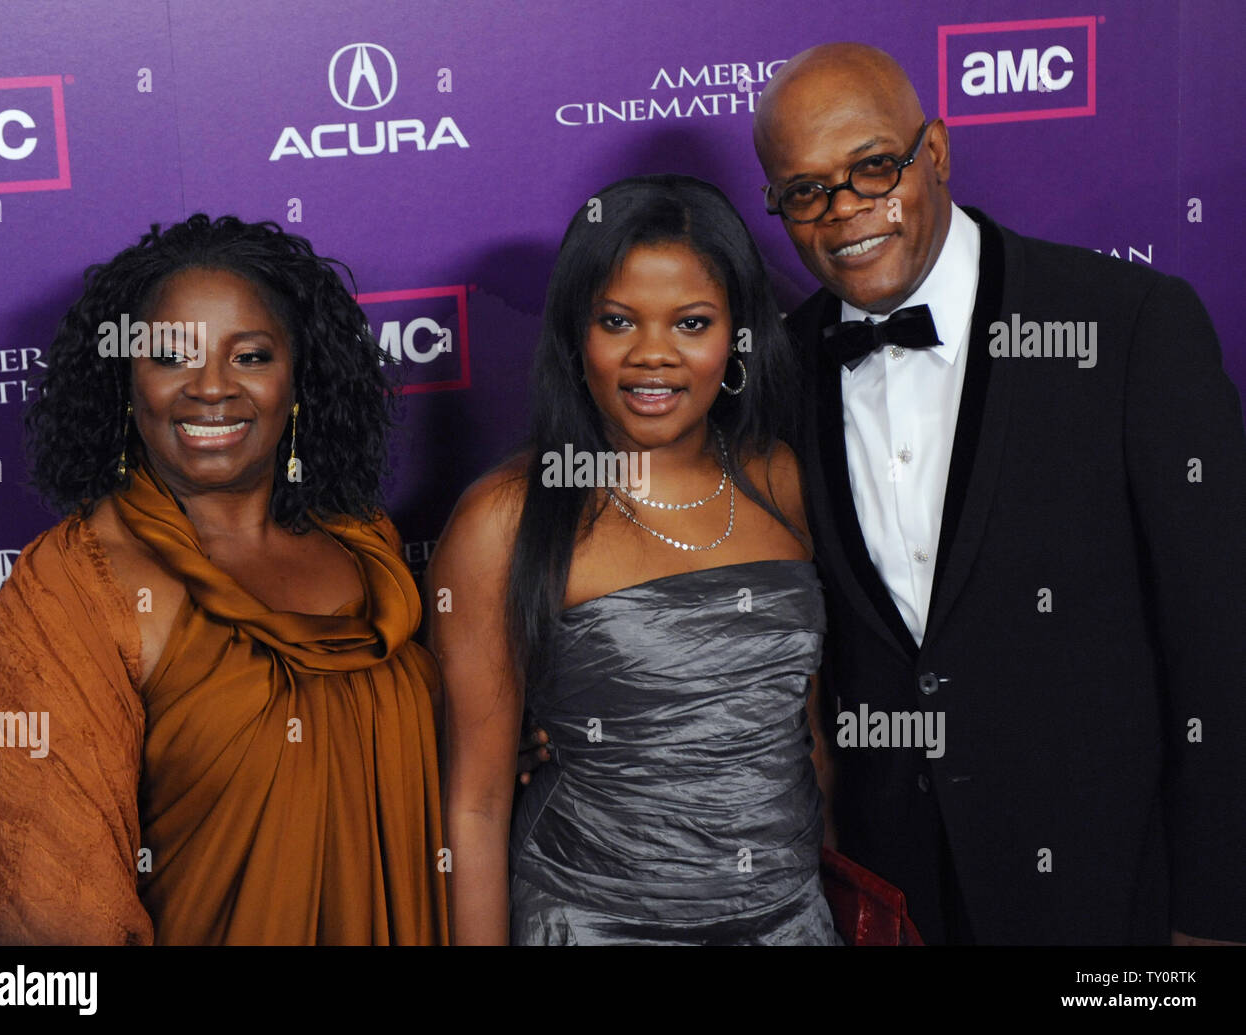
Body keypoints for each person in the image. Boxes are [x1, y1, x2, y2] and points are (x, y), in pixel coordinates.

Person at [748, 43, 1246, 944]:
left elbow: (1221, 641)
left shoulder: (1127, 325)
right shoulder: (775, 375)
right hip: (895, 896)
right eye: (805, 190)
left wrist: (1216, 914)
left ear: (934, 152)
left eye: (873, 167)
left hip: (1111, 901)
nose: (847, 210)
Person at [0, 214, 448, 945]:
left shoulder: (365, 541)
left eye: (250, 356)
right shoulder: (73, 589)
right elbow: (51, 914)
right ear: (126, 382)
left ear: (301, 379)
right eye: (171, 356)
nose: (212, 388)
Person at [430, 174, 841, 945]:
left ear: (737, 336)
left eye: (691, 322)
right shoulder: (505, 520)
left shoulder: (780, 476)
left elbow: (811, 742)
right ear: (575, 334)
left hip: (792, 924)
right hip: (594, 925)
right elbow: (474, 808)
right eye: (617, 321)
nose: (653, 355)